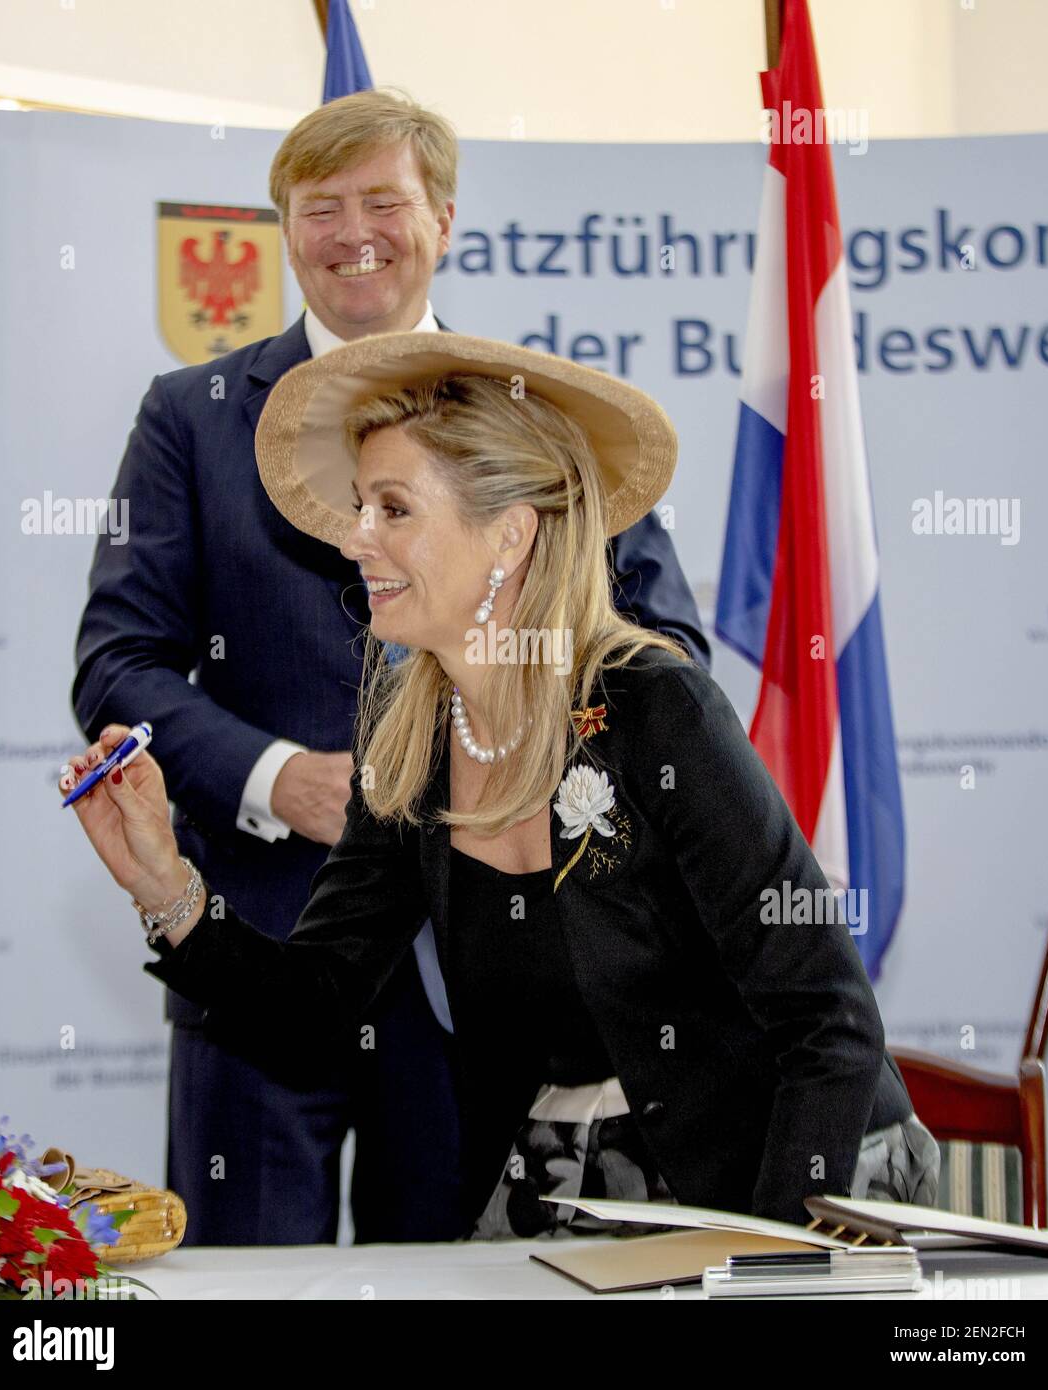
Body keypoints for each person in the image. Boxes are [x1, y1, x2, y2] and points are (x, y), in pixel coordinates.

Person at [60, 330, 939, 1239]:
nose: (355, 538)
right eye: (361, 507)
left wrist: (770, 1264)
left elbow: (829, 1021)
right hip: (567, 1189)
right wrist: (164, 885)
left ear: (509, 535)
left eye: (393, 509)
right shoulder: (408, 738)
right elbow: (316, 1004)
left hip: (794, 1176)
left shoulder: (656, 708)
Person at [70, 89, 711, 1246]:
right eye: (321, 207)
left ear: (443, 220)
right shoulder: (188, 418)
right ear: (284, 231)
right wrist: (278, 778)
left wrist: (498, 772)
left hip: (487, 970)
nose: (352, 231)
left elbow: (665, 650)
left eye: (382, 200)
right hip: (258, 957)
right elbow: (118, 662)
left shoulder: (536, 415)